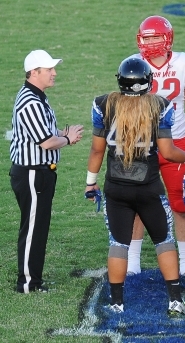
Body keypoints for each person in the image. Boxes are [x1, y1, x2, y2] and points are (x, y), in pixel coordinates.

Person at [85, 57, 185, 313]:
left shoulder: (103, 104)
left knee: (119, 243)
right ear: (148, 82)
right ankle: (175, 300)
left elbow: (97, 151)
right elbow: (168, 151)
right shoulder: (159, 106)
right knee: (163, 240)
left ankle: (117, 303)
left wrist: (90, 184)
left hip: (116, 187)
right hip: (148, 187)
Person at [127, 15, 185, 277]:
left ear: (168, 38)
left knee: (181, 205)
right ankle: (133, 262)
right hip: (142, 144)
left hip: (176, 142)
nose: (150, 43)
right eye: (146, 37)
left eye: (156, 37)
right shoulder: (133, 64)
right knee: (138, 202)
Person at [10, 50, 84, 294]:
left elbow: (47, 135)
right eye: (49, 69)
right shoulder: (31, 102)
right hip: (33, 174)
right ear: (34, 72)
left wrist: (61, 134)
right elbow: (46, 142)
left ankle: (33, 278)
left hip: (41, 173)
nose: (54, 73)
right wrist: (69, 139)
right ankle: (28, 283)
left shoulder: (38, 96)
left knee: (38, 227)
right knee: (33, 228)